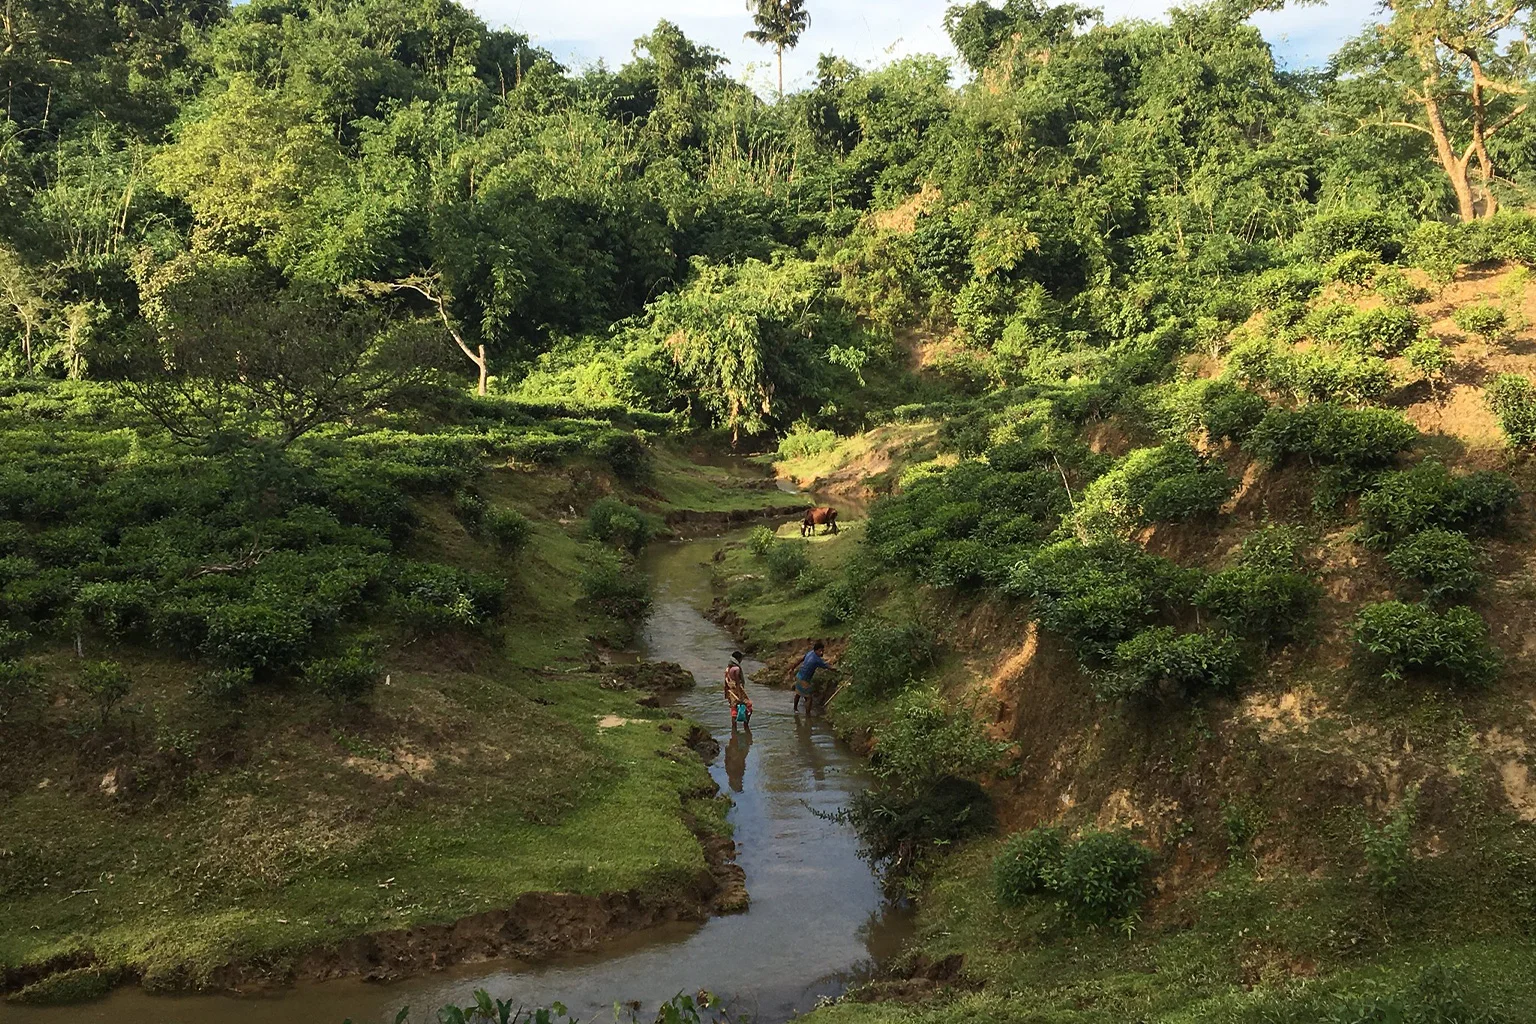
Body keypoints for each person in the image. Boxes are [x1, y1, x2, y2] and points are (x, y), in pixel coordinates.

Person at [793, 640, 833, 715]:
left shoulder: (810, 653)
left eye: (822, 651)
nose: (822, 653)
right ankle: (808, 716)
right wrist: (839, 670)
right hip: (804, 680)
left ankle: (795, 709)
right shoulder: (817, 660)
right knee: (809, 698)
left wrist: (792, 668)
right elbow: (829, 667)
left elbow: (800, 659)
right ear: (816, 650)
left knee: (798, 693)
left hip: (799, 675)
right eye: (820, 651)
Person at [724, 650, 752, 727]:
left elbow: (727, 680)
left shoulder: (728, 668)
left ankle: (734, 728)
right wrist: (740, 694)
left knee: (733, 708)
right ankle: (746, 725)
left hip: (731, 690)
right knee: (749, 706)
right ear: (738, 659)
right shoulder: (737, 669)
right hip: (737, 689)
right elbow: (737, 681)